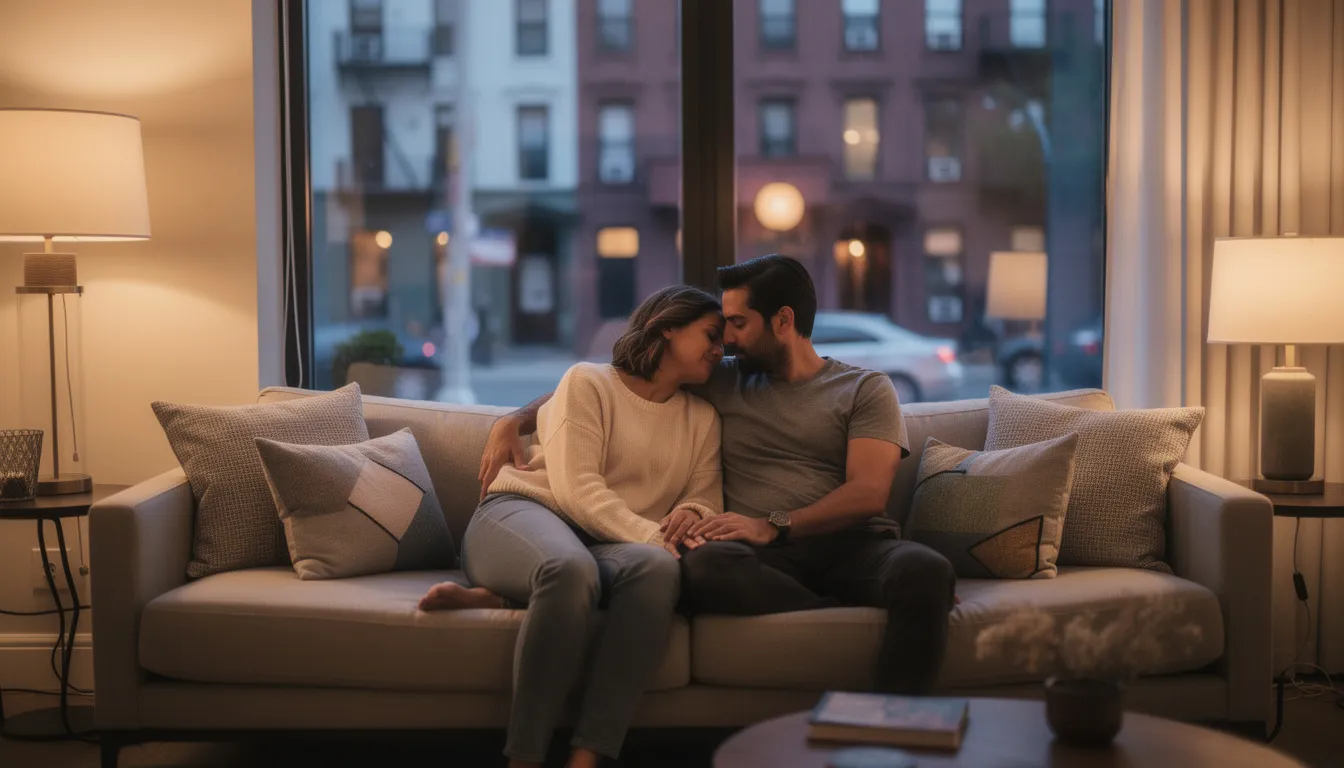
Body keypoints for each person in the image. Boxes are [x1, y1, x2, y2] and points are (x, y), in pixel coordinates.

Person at [478, 255, 956, 697]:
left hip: (852, 545)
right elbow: (614, 381)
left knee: (926, 570)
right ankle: (830, 608)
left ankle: (893, 730)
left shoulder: (864, 388)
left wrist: (773, 523)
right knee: (700, 567)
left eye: (739, 324)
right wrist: (513, 420)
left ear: (784, 321)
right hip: (758, 558)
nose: (726, 339)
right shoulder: (725, 376)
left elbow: (869, 493)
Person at [419, 285, 726, 768]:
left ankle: (587, 756)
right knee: (568, 568)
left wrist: (694, 510)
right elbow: (577, 489)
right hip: (525, 513)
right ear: (668, 326)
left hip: (605, 542)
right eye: (712, 334)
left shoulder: (703, 418)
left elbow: (706, 493)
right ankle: (525, 758)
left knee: (656, 572)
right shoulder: (587, 382)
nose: (720, 349)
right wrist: (654, 537)